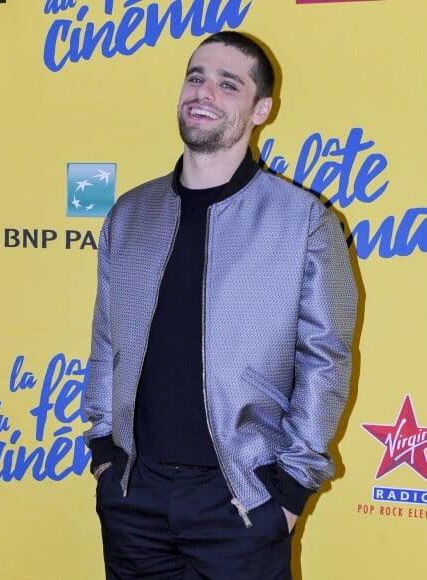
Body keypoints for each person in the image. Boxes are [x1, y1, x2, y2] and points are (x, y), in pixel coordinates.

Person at [83, 30, 358, 579]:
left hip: (242, 501)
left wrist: (289, 490)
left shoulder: (304, 223)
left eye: (228, 83)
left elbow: (325, 362)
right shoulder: (130, 214)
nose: (204, 92)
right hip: (134, 496)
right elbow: (105, 341)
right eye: (195, 76)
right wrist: (105, 452)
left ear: (261, 109)